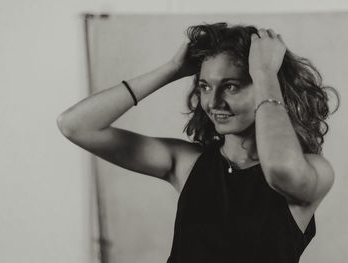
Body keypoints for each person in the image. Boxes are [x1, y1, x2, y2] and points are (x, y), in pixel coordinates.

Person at [57, 22, 339, 263]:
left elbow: (279, 169)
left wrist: (265, 72)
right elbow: (76, 125)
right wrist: (172, 69)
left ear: (270, 84)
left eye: (231, 86)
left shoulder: (313, 172)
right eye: (205, 86)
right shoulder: (187, 163)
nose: (213, 102)